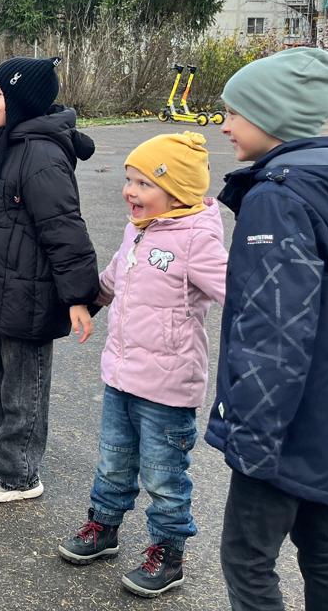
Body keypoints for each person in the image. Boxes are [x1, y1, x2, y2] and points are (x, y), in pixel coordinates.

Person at [207, 48, 328, 611]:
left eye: (234, 113)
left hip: (282, 421)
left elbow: (274, 333)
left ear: (274, 116)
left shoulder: (278, 198)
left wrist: (253, 436)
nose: (224, 125)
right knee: (320, 540)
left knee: (247, 558)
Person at [57, 132, 227, 597]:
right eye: (128, 180)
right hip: (122, 373)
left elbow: (235, 291)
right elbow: (114, 277)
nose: (130, 191)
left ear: (177, 193)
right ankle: (104, 527)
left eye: (143, 184)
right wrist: (87, 302)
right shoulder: (140, 228)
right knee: (113, 460)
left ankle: (168, 552)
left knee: (163, 474)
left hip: (169, 387)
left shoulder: (197, 238)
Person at [0, 56, 97, 504]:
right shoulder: (1, 140)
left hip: (29, 291)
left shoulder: (41, 155)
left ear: (20, 100)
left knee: (22, 384)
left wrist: (78, 296)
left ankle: (18, 473)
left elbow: (64, 228)